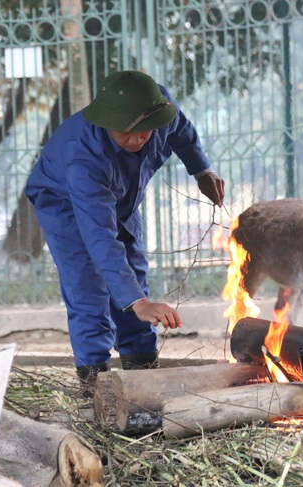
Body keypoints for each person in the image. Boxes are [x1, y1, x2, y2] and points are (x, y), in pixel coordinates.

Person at [25, 70, 225, 392]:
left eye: (144, 132)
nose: (136, 140)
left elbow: (182, 131)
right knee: (89, 288)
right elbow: (100, 237)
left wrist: (202, 170)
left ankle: (142, 380)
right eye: (125, 133)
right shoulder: (83, 157)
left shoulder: (156, 109)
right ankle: (95, 389)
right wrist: (139, 303)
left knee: (133, 273)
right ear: (106, 123)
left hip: (121, 199)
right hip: (64, 204)